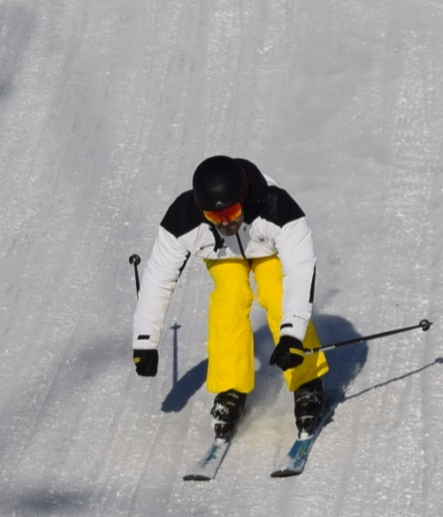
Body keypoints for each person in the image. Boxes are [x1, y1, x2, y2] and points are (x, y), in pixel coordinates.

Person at [130, 155, 330, 438]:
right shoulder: (182, 218)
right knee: (229, 299)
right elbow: (158, 278)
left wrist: (292, 335)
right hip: (223, 255)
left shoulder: (277, 207)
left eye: (232, 212)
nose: (225, 222)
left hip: (268, 250)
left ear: (243, 198)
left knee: (276, 291)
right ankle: (231, 388)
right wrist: (145, 342)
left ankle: (307, 381)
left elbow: (300, 271)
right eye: (215, 216)